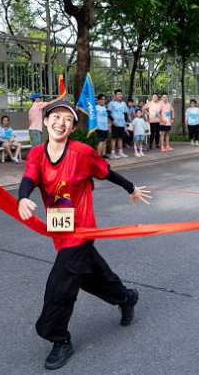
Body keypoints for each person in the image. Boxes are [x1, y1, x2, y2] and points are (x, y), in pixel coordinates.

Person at [17, 100, 151, 370]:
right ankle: (126, 297)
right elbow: (29, 178)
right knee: (90, 275)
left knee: (61, 284)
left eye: (67, 119)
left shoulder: (81, 152)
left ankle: (59, 338)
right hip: (60, 229)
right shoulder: (37, 155)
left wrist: (131, 187)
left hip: (81, 228)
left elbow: (105, 172)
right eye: (55, 117)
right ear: (45, 121)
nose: (60, 122)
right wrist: (22, 198)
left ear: (73, 127)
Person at [107, 89, 128, 159]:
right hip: (115, 124)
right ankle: (112, 153)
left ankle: (120, 152)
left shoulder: (123, 103)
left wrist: (125, 121)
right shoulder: (112, 103)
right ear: (115, 95)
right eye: (118, 94)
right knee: (114, 138)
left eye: (120, 94)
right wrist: (113, 120)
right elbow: (108, 113)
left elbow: (125, 113)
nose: (119, 95)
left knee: (120, 138)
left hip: (122, 124)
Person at [95, 94, 110, 159]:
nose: (103, 101)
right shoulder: (96, 107)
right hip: (99, 127)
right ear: (98, 100)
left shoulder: (104, 107)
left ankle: (103, 154)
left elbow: (105, 117)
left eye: (104, 99)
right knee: (101, 141)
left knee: (105, 141)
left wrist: (108, 126)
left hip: (105, 127)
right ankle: (98, 155)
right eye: (101, 99)